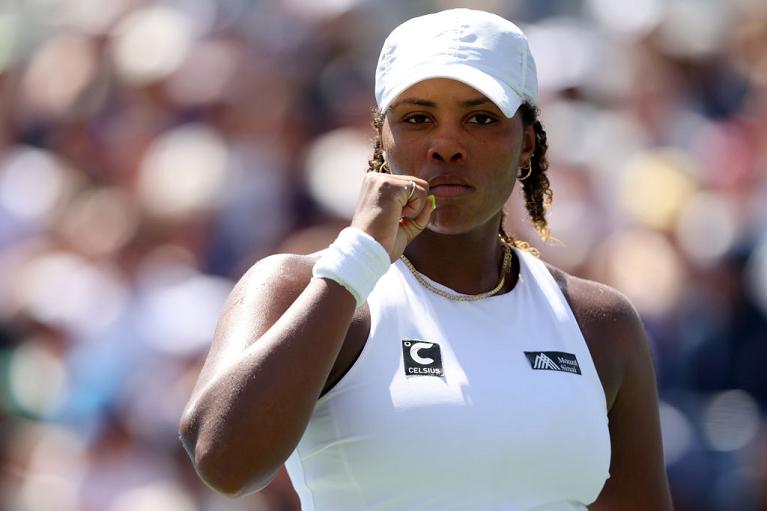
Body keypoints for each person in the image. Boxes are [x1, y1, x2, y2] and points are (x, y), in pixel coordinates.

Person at [179, 8, 674, 511]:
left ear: (526, 142)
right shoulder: (295, 286)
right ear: (382, 137)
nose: (446, 146)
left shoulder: (600, 324)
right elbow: (222, 461)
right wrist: (357, 261)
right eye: (417, 118)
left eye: (479, 118)